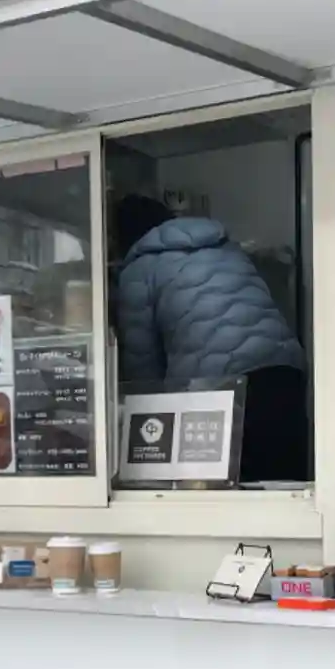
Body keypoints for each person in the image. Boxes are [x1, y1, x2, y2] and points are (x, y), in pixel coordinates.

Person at [112, 194, 309, 481]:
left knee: (222, 490)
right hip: (284, 367)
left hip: (218, 386)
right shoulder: (224, 246)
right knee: (286, 484)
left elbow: (142, 366)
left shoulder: (140, 269)